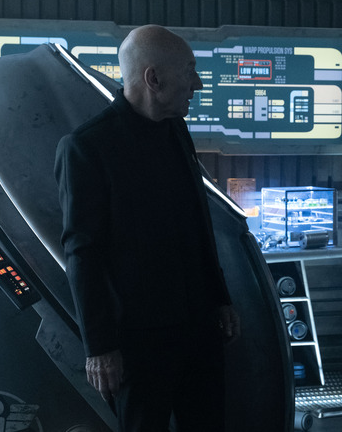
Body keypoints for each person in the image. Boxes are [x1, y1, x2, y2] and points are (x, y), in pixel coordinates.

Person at [55, 24, 240, 431]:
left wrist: (219, 297)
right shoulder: (87, 146)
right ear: (153, 79)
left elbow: (196, 222)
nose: (198, 84)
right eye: (189, 71)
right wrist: (100, 348)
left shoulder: (176, 129)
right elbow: (82, 254)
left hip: (200, 328)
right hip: (138, 344)